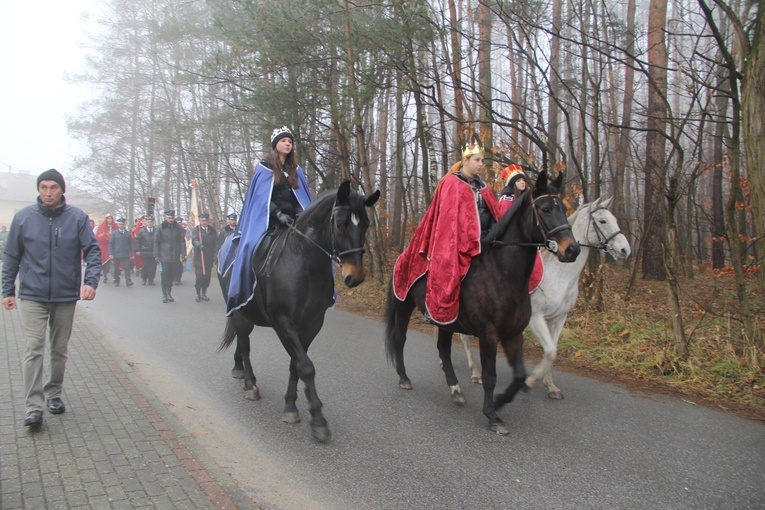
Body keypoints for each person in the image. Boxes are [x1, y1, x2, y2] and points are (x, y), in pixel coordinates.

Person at [2, 169, 101, 428]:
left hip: (65, 295)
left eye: (53, 187)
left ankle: (53, 394)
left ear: (61, 190)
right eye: (44, 187)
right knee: (33, 348)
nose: (48, 192)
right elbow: (11, 255)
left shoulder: (77, 218)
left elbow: (92, 250)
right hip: (32, 295)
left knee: (58, 349)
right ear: (38, 189)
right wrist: (7, 291)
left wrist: (90, 282)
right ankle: (33, 407)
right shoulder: (23, 218)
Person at [392, 135, 500, 325]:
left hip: (487, 243)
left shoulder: (484, 188)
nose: (481, 164)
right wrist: (466, 240)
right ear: (465, 161)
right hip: (456, 243)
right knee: (446, 269)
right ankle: (436, 309)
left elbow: (495, 215)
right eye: (477, 160)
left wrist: (495, 235)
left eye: (482, 161)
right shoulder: (451, 184)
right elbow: (447, 222)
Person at [225, 126, 312, 315]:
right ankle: (242, 289)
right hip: (268, 222)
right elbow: (260, 199)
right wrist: (278, 214)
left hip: (294, 221)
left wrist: (299, 213)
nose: (288, 143)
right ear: (276, 145)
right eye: (283, 141)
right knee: (248, 246)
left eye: (290, 141)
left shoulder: (296, 170)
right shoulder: (264, 169)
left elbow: (300, 198)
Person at [154, 210, 186, 303]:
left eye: (172, 218)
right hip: (164, 254)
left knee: (172, 275)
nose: (170, 219)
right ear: (165, 218)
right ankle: (164, 293)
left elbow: (181, 242)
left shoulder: (178, 228)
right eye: (169, 218)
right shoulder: (160, 228)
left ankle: (169, 292)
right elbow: (156, 242)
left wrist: (183, 254)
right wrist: (156, 255)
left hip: (175, 254)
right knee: (165, 274)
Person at [191, 213, 218, 302]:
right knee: (199, 276)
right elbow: (194, 240)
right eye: (203, 221)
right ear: (200, 221)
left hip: (208, 257)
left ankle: (204, 293)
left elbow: (215, 244)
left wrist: (215, 257)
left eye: (206, 220)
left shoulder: (212, 231)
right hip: (200, 257)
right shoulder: (196, 230)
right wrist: (199, 245)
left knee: (207, 277)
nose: (204, 222)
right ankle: (198, 293)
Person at [108, 217, 135, 287]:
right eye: (120, 224)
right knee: (116, 269)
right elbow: (111, 244)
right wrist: (110, 253)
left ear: (124, 225)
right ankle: (117, 280)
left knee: (127, 268)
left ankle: (128, 281)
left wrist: (132, 254)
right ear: (118, 225)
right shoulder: (114, 234)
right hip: (116, 254)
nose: (121, 226)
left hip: (125, 254)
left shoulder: (128, 234)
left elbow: (131, 244)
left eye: (122, 224)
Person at [135, 216, 157, 285]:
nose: (150, 224)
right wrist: (138, 250)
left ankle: (151, 280)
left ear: (153, 223)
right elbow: (138, 241)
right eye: (148, 222)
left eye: (151, 222)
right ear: (146, 223)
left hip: (154, 252)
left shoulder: (157, 231)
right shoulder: (142, 231)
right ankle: (144, 279)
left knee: (153, 268)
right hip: (145, 251)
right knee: (145, 267)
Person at [95, 213, 116, 282]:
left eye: (111, 218)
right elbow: (98, 236)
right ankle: (105, 276)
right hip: (104, 247)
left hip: (113, 247)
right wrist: (107, 238)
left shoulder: (114, 227)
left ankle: (114, 277)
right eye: (108, 218)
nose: (109, 220)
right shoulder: (102, 227)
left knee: (113, 262)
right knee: (105, 262)